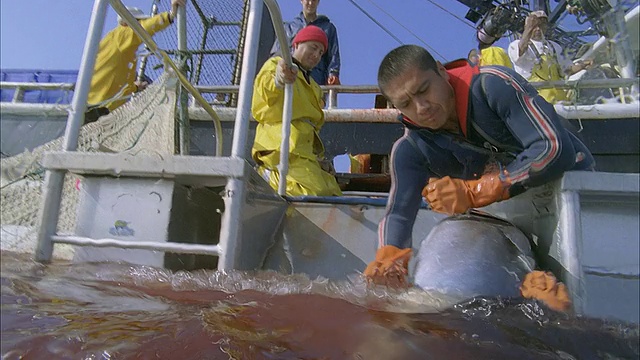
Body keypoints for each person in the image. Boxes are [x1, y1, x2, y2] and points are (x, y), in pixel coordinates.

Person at [363, 44, 594, 297]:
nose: (421, 107)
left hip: (574, 201)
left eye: (423, 90)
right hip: (504, 223)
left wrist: (475, 192)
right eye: (406, 103)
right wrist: (389, 257)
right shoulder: (409, 150)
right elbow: (399, 215)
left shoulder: (493, 85)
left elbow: (554, 148)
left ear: (442, 71)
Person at [252, 25, 342, 197]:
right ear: (296, 45)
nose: (316, 55)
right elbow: (264, 90)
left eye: (321, 52)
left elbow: (311, 128)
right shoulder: (277, 65)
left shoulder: (314, 87)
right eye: (313, 47)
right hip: (281, 147)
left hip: (304, 154)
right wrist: (279, 79)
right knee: (313, 194)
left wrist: (319, 159)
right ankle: (267, 175)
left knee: (333, 194)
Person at [85, 0, 186, 123]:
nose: (141, 24)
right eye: (138, 22)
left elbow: (118, 82)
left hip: (100, 109)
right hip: (96, 109)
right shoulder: (121, 34)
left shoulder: (122, 49)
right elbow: (144, 28)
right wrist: (171, 15)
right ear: (126, 23)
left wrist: (135, 87)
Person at [507, 10, 592, 103]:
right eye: (535, 26)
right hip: (535, 102)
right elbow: (519, 52)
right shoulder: (515, 45)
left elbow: (566, 70)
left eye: (542, 25)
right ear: (527, 27)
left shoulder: (554, 46)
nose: (538, 29)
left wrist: (583, 65)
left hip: (560, 102)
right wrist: (528, 28)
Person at [272, 0, 340, 86]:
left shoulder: (328, 28)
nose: (311, 3)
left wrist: (333, 74)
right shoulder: (287, 28)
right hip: (291, 80)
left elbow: (333, 55)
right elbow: (275, 55)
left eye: (314, 0)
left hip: (316, 81)